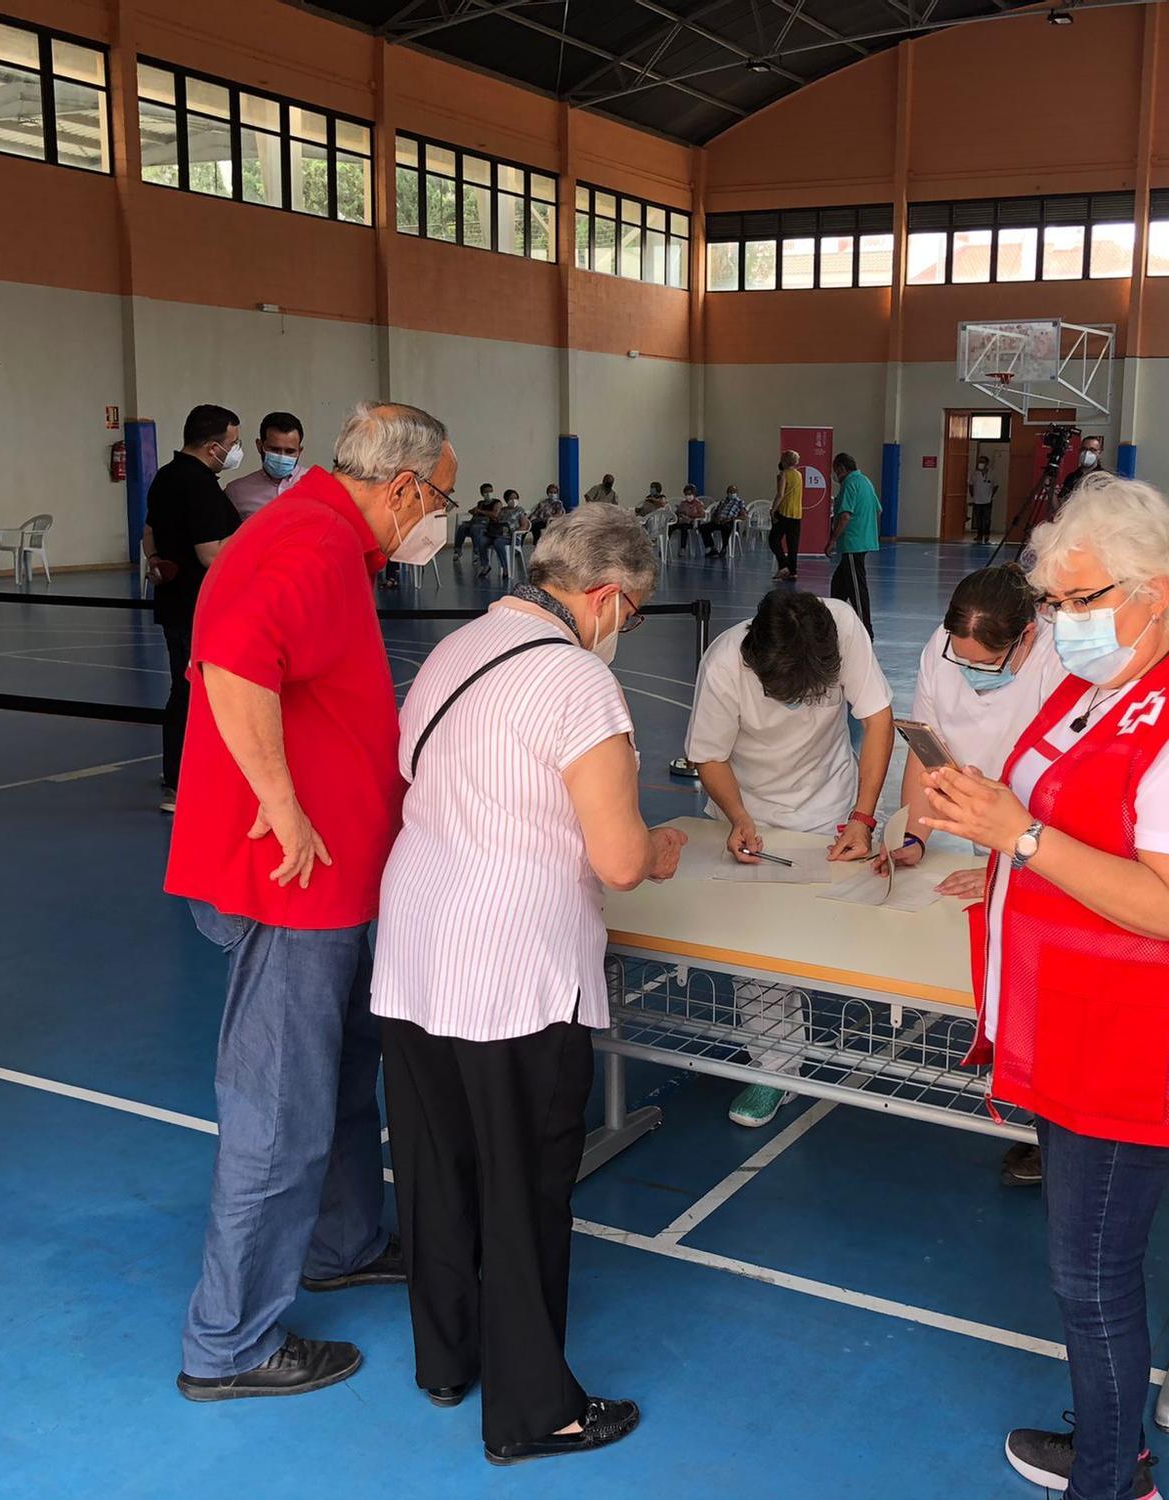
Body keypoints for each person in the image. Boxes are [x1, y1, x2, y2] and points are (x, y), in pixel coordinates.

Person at [919, 476, 1169, 1500]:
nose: (1062, 624)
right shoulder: (1101, 688)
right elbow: (1059, 811)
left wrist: (1019, 838)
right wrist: (986, 819)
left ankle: (1114, 1479)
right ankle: (1109, 1440)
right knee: (1082, 1271)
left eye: (1081, 602)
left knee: (1093, 1277)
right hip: (1067, 1028)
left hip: (1129, 1047)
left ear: (1151, 594)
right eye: (1054, 604)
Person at [373, 506, 684, 1465]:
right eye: (629, 613)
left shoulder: (456, 648)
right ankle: (533, 1411)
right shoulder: (576, 679)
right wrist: (664, 846)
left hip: (416, 947)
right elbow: (621, 859)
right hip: (513, 971)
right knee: (523, 1186)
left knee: (437, 1171)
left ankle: (447, 1361)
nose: (622, 630)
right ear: (603, 595)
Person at [166, 402, 456, 1403]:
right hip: (290, 885)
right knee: (280, 1111)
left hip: (338, 887)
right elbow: (235, 662)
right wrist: (282, 806)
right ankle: (228, 1345)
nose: (440, 519)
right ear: (408, 488)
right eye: (442, 499)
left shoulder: (325, 538)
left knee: (338, 1081)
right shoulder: (311, 543)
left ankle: (339, 1243)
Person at [878, 566, 1068, 1187]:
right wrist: (914, 831)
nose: (970, 672)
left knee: (1035, 988)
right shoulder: (942, 650)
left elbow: (1063, 798)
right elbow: (926, 748)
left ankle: (1051, 1130)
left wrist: (1004, 868)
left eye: (984, 665)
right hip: (961, 836)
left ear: (1027, 637)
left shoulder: (1063, 666)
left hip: (1032, 848)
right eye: (962, 659)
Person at [686, 590, 892, 1128]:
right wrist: (738, 818)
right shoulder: (726, 664)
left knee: (835, 923)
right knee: (757, 944)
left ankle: (813, 1024)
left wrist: (864, 817)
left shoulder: (840, 625)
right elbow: (707, 754)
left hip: (829, 800)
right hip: (750, 808)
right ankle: (775, 1067)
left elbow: (877, 719)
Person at [143, 405, 244, 814]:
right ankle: (181, 779)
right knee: (192, 691)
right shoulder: (199, 485)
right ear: (213, 445)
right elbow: (209, 554)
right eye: (233, 444)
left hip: (175, 601)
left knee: (183, 688)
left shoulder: (166, 476)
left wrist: (155, 561)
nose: (235, 451)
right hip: (199, 606)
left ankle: (179, 772)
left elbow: (150, 531)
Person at [828, 452, 882, 635]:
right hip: (862, 540)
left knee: (857, 588)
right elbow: (878, 510)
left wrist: (833, 540)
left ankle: (865, 630)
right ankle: (833, 624)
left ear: (842, 469)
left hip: (853, 543)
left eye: (835, 471)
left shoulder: (849, 483)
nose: (835, 475)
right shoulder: (865, 481)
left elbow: (844, 516)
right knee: (838, 587)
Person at [225, 412, 305, 521]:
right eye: (274, 450)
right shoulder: (236, 492)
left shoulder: (318, 484)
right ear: (259, 446)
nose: (282, 457)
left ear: (300, 451)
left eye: (289, 451)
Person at [770, 449, 804, 581]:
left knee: (773, 540)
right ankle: (793, 571)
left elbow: (780, 494)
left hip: (784, 511)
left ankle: (784, 565)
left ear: (784, 461)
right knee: (792, 544)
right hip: (797, 514)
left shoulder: (784, 474)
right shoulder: (799, 475)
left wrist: (773, 509)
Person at [480, 490, 526, 580]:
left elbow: (524, 526)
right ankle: (485, 565)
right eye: (511, 498)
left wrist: (515, 532)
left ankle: (505, 567)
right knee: (482, 540)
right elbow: (497, 521)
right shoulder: (502, 510)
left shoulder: (520, 510)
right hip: (499, 534)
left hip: (512, 537)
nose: (513, 500)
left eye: (515, 498)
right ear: (506, 500)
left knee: (498, 542)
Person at [701, 485, 749, 558]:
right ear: (727, 493)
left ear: (737, 492)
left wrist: (730, 519)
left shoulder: (739, 502)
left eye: (733, 491)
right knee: (703, 527)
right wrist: (715, 518)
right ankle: (712, 548)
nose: (732, 493)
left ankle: (724, 548)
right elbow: (715, 512)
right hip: (719, 521)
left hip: (730, 521)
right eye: (730, 491)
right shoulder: (723, 501)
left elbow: (744, 516)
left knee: (726, 527)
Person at [454, 482, 498, 558]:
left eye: (490, 491)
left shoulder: (496, 503)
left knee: (475, 528)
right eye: (486, 492)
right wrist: (473, 511)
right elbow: (473, 511)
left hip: (488, 526)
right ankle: (458, 550)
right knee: (462, 527)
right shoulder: (481, 503)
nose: (488, 494)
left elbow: (495, 514)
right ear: (482, 493)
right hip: (476, 523)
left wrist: (481, 511)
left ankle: (477, 551)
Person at [969, 455, 999, 545]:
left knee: (986, 519)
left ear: (986, 463)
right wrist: (972, 495)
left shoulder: (992, 473)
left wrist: (991, 495)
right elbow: (970, 485)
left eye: (982, 462)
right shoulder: (974, 473)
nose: (980, 464)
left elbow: (996, 485)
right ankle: (979, 535)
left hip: (987, 500)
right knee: (978, 519)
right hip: (977, 500)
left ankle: (986, 536)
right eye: (979, 462)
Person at [670, 484, 707, 555]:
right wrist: (680, 514)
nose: (688, 496)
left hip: (692, 523)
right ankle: (665, 546)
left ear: (694, 494)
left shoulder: (698, 503)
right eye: (686, 494)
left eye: (690, 494)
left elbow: (702, 515)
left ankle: (682, 548)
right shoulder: (683, 503)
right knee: (671, 527)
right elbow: (677, 512)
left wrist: (690, 516)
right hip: (682, 521)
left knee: (684, 529)